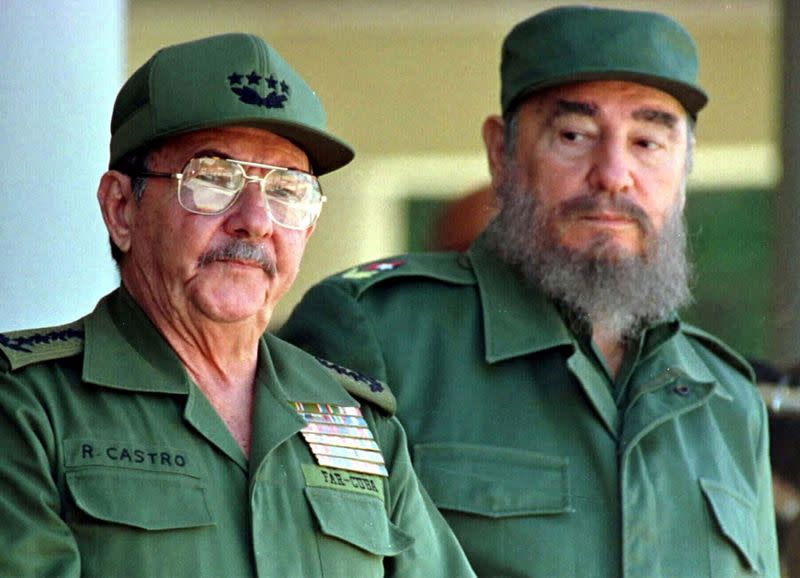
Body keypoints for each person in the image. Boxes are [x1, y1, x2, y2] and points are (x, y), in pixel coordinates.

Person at [279, 6, 780, 577]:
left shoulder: (730, 401)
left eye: (647, 141)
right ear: (501, 153)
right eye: (574, 134)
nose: (614, 173)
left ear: (685, 169)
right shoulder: (376, 334)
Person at [0, 33, 474, 577]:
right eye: (212, 178)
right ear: (121, 209)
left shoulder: (356, 422)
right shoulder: (27, 407)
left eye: (287, 189)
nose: (255, 218)